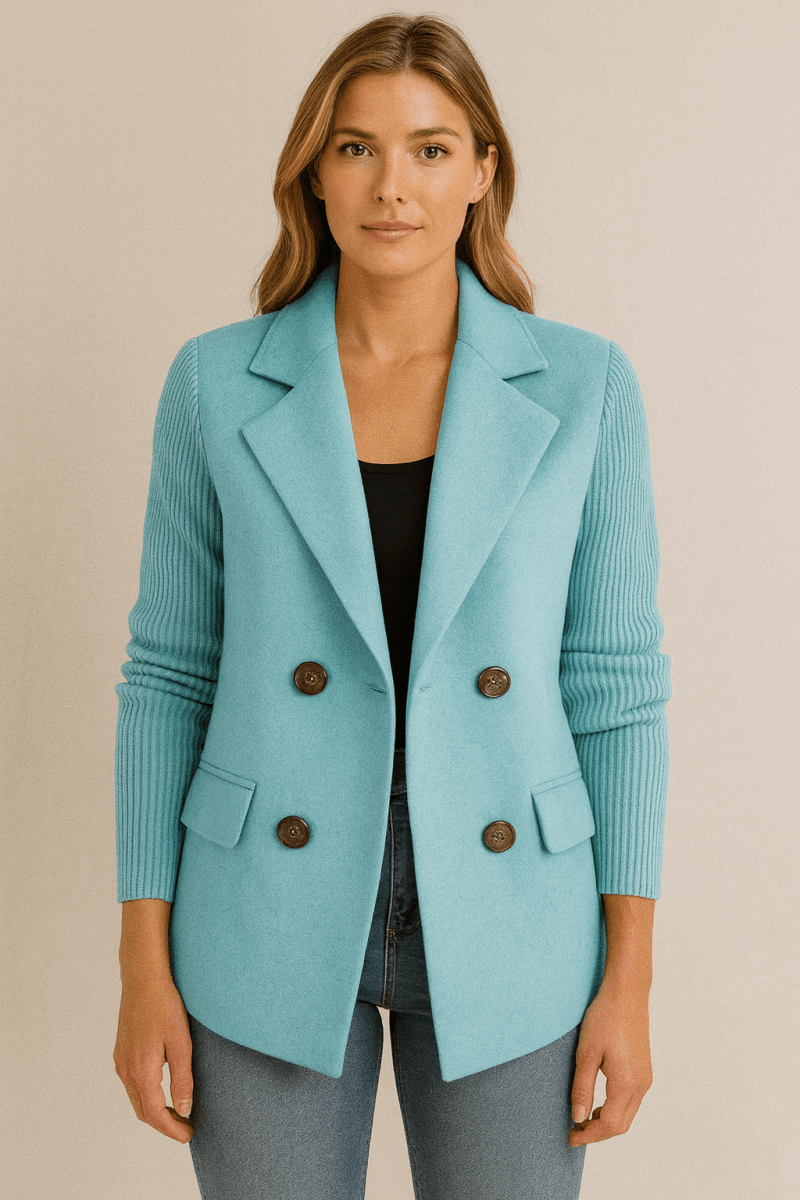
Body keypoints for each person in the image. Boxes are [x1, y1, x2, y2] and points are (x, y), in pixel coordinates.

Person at [112, 12, 671, 1200]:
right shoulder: (216, 383)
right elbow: (167, 675)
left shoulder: (583, 387)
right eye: (355, 147)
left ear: (481, 171)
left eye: (429, 149)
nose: (391, 187)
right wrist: (141, 967)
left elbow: (615, 690)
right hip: (260, 907)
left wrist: (627, 981)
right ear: (312, 172)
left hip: (516, 910)